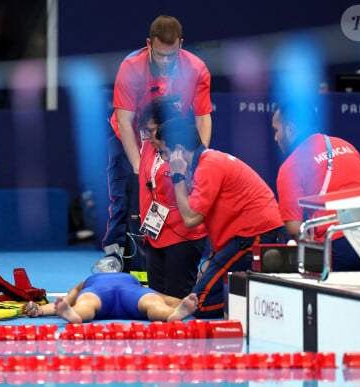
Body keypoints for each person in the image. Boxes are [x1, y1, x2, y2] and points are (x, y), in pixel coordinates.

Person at [104, 15, 212, 272]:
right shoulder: (130, 68)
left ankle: (173, 253)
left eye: (171, 56)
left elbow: (203, 119)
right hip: (129, 136)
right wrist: (139, 168)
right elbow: (124, 121)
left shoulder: (196, 69)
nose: (165, 62)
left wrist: (198, 160)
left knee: (174, 195)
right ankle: (115, 256)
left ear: (181, 45)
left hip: (168, 138)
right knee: (124, 198)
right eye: (159, 55)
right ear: (148, 44)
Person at [160, 117, 287, 318]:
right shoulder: (208, 162)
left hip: (257, 238)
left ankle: (251, 296)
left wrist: (177, 177)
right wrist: (213, 258)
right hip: (251, 236)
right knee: (201, 292)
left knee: (199, 303)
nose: (165, 160)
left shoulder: (208, 165)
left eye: (165, 153)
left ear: (178, 149)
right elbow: (220, 217)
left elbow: (191, 219)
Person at [271, 101, 360, 271]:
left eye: (276, 130)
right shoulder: (347, 146)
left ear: (290, 130)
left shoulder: (291, 165)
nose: (276, 137)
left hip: (338, 245)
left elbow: (295, 231)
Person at [138, 95, 207, 298]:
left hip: (183, 236)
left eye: (152, 131)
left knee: (178, 299)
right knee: (156, 300)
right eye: (145, 130)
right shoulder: (149, 149)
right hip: (154, 234)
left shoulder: (188, 155)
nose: (148, 135)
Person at [23, 272, 198, 323]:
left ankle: (75, 315)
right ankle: (170, 315)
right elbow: (164, 297)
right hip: (130, 293)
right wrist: (178, 304)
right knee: (152, 302)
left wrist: (39, 310)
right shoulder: (131, 279)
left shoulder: (88, 281)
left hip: (101, 292)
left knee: (85, 303)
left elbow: (64, 302)